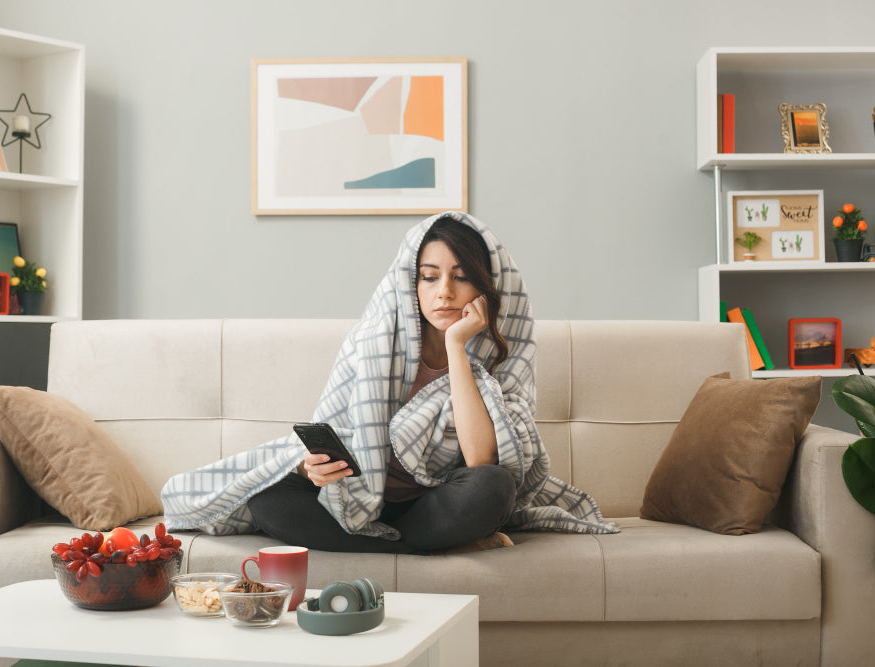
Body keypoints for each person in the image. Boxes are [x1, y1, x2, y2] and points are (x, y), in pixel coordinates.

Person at [161, 212, 617, 553]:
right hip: (360, 496)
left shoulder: (501, 353)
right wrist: (310, 469)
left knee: (493, 488)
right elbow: (334, 429)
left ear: (486, 287)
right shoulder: (374, 341)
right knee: (268, 499)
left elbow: (482, 460)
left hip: (435, 502)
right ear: (410, 284)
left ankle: (423, 540)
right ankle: (421, 549)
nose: (444, 292)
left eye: (462, 278)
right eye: (430, 277)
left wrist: (458, 348)